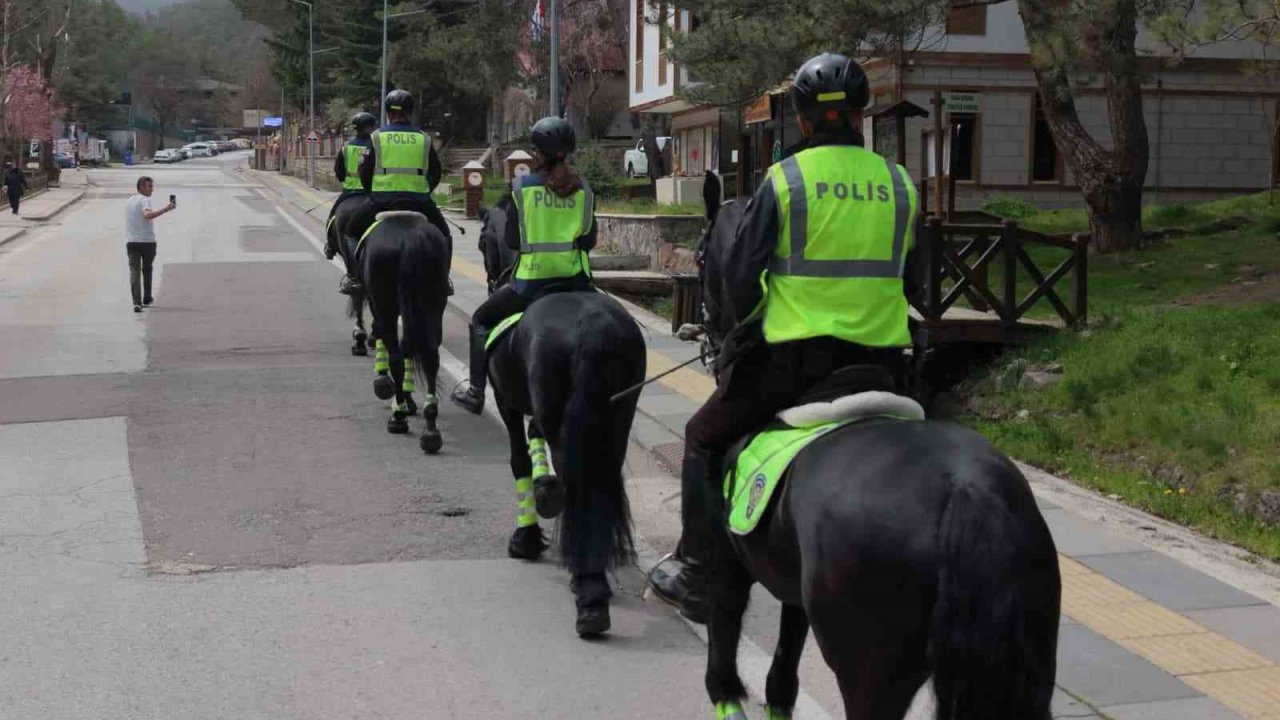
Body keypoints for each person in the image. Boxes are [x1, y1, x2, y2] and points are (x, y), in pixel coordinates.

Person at [652, 53, 923, 623]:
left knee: (701, 438)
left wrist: (743, 335)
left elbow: (743, 279)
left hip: (795, 365)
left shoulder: (786, 180)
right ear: (858, 114)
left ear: (802, 120)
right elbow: (916, 280)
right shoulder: (899, 183)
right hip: (884, 365)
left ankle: (698, 569)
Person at [449, 116, 597, 415]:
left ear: (537, 153)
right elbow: (589, 240)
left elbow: (513, 240)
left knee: (480, 320)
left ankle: (476, 391)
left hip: (531, 283)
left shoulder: (521, 188)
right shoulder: (585, 190)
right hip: (578, 282)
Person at [343, 89, 453, 295]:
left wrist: (372, 191)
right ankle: (444, 280)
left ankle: (355, 278)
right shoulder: (424, 138)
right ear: (410, 112)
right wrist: (423, 190)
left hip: (382, 200)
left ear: (388, 113)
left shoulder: (376, 138)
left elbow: (364, 171)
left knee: (350, 232)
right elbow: (436, 172)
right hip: (419, 201)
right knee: (445, 236)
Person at [325, 111, 377, 293]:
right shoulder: (376, 145)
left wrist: (347, 182)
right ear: (370, 127)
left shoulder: (346, 147)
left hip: (349, 193)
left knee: (332, 217)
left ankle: (331, 247)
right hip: (371, 194)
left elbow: (338, 170)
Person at [125, 176, 176, 313]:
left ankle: (137, 302)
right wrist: (167, 208)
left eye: (152, 186)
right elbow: (147, 215)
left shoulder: (130, 200)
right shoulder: (145, 200)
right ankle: (146, 298)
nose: (151, 189)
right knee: (147, 270)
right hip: (147, 242)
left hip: (132, 242)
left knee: (134, 272)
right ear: (141, 187)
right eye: (149, 186)